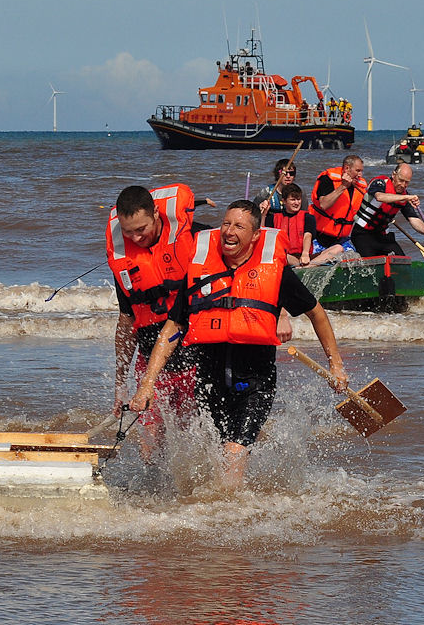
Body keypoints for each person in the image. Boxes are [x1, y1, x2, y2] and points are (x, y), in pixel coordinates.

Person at [129, 200, 347, 490]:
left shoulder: (275, 272)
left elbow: (316, 313)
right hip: (209, 382)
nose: (229, 232)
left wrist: (336, 364)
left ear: (255, 236)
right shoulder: (200, 271)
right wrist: (147, 383)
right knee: (215, 454)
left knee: (232, 453)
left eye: (239, 226)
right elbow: (173, 328)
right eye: (226, 224)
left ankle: (227, 514)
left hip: (255, 384)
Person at [107, 184, 215, 461]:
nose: (135, 237)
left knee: (194, 436)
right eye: (128, 231)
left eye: (141, 229)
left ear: (156, 213)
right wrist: (120, 384)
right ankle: (152, 498)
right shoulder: (125, 261)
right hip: (150, 363)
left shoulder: (195, 237)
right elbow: (126, 321)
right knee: (150, 441)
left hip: (196, 358)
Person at [350, 162, 424, 257]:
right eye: (401, 180)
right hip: (362, 233)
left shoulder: (404, 196)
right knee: (371, 265)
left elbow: (414, 219)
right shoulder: (380, 183)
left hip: (383, 236)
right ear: (393, 175)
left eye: (407, 182)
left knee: (402, 262)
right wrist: (405, 198)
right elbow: (379, 197)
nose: (403, 185)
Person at [309, 154, 366, 264]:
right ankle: (308, 267)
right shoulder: (328, 178)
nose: (360, 175)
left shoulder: (360, 187)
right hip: (318, 237)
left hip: (341, 239)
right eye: (357, 170)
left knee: (355, 260)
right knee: (317, 260)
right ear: (347, 168)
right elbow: (323, 205)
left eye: (361, 171)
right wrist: (343, 186)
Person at [265, 184, 317, 266]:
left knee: (338, 248)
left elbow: (308, 236)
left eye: (298, 199)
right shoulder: (273, 218)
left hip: (305, 257)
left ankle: (307, 266)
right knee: (277, 254)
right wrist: (263, 214)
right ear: (284, 201)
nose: (297, 203)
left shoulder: (308, 217)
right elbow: (263, 236)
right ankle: (303, 266)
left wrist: (305, 253)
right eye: (293, 200)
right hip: (286, 257)